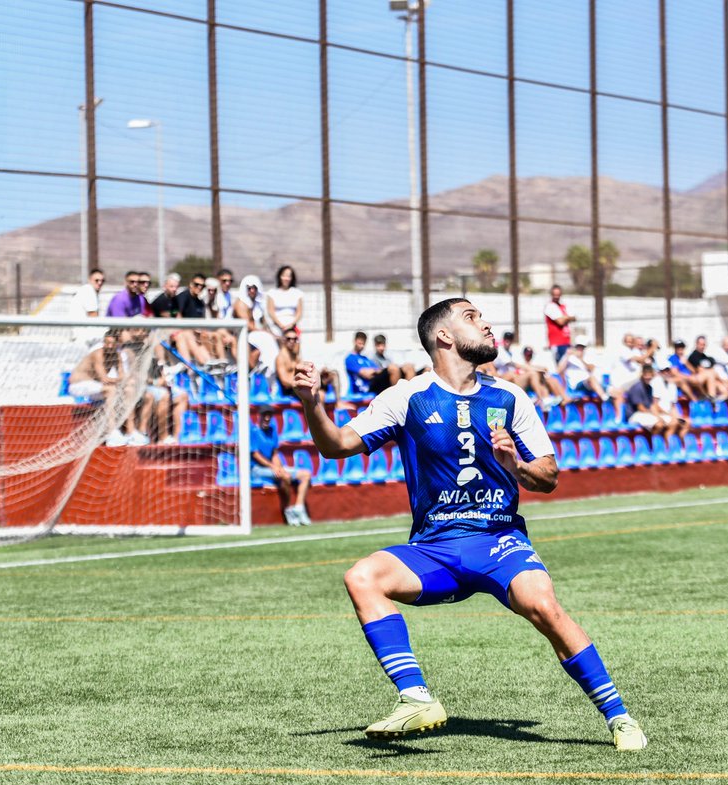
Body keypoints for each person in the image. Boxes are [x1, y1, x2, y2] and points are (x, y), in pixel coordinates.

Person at [291, 297, 646, 750]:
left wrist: (513, 463)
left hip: (499, 540)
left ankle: (619, 717)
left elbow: (549, 476)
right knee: (362, 577)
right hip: (433, 549)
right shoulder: (407, 396)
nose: (486, 324)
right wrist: (311, 404)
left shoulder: (509, 396)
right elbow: (337, 444)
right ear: (444, 336)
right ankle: (416, 698)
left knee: (544, 606)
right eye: (472, 318)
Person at [250, 405, 312, 526]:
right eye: (264, 415)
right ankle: (288, 509)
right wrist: (274, 467)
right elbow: (256, 455)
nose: (267, 418)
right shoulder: (253, 432)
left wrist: (278, 467)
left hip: (271, 467)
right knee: (285, 476)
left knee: (306, 475)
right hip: (256, 469)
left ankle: (298, 508)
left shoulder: (272, 430)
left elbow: (274, 453)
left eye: (269, 415)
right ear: (259, 416)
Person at [233, 275, 280, 376]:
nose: (252, 291)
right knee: (266, 339)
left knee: (274, 339)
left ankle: (272, 371)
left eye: (254, 288)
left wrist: (273, 334)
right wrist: (266, 333)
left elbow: (264, 323)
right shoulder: (241, 304)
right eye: (249, 288)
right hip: (243, 336)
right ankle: (267, 372)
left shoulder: (257, 304)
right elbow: (247, 325)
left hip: (255, 335)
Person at [346, 331, 398, 397]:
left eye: (363, 344)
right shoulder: (350, 358)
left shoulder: (365, 359)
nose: (362, 346)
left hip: (373, 385)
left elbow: (378, 370)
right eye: (360, 343)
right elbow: (366, 374)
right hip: (365, 389)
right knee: (393, 369)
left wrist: (374, 371)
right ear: (354, 342)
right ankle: (396, 397)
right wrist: (374, 371)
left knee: (404, 369)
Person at [266, 264, 305, 336]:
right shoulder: (272, 293)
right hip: (277, 326)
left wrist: (291, 325)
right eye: (284, 275)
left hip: (292, 326)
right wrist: (280, 325)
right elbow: (270, 311)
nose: (286, 278)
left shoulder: (298, 293)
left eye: (289, 276)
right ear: (279, 276)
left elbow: (299, 312)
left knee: (293, 339)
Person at [543, 284, 576, 366]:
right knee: (560, 367)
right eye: (554, 294)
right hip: (557, 343)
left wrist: (565, 318)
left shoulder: (563, 306)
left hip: (567, 341)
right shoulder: (550, 306)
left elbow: (574, 317)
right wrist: (568, 318)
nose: (556, 297)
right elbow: (560, 321)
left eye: (558, 294)